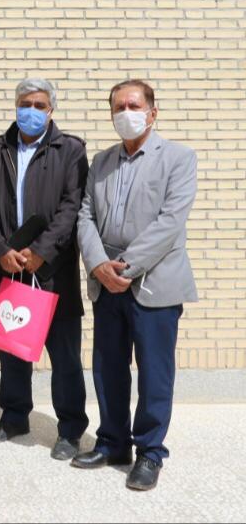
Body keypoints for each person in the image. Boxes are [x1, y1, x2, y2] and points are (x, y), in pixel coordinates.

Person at [73, 80, 197, 491]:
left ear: (152, 112)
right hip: (106, 282)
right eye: (119, 107)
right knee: (108, 367)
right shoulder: (101, 161)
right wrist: (98, 265)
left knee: (154, 373)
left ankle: (150, 452)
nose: (126, 112)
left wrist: (124, 267)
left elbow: (170, 222)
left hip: (154, 283)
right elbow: (86, 216)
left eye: (134, 105)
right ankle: (112, 442)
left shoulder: (178, 158)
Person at [0, 79, 90, 460]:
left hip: (54, 271)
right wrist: (0, 251)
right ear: (16, 106)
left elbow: (72, 206)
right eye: (25, 103)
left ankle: (70, 429)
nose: (32, 111)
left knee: (65, 357)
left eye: (40, 105)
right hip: (10, 267)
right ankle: (14, 417)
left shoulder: (70, 150)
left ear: (51, 110)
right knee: (12, 350)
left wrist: (41, 250)